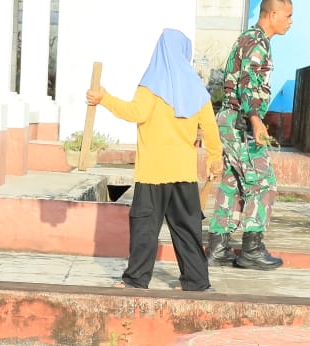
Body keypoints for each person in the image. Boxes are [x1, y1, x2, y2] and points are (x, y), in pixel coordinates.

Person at [87, 29, 223, 292]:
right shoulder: (196, 89)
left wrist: (104, 99)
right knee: (187, 228)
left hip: (153, 173)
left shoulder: (150, 84)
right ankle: (196, 281)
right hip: (183, 174)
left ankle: (136, 281)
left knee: (144, 227)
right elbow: (210, 128)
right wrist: (215, 158)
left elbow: (135, 112)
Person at [206, 0, 293, 272]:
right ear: (273, 14)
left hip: (228, 119)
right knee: (263, 183)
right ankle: (252, 249)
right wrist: (256, 121)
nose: (290, 22)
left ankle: (218, 247)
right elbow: (248, 85)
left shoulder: (247, 38)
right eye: (288, 16)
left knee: (232, 183)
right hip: (241, 122)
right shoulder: (258, 44)